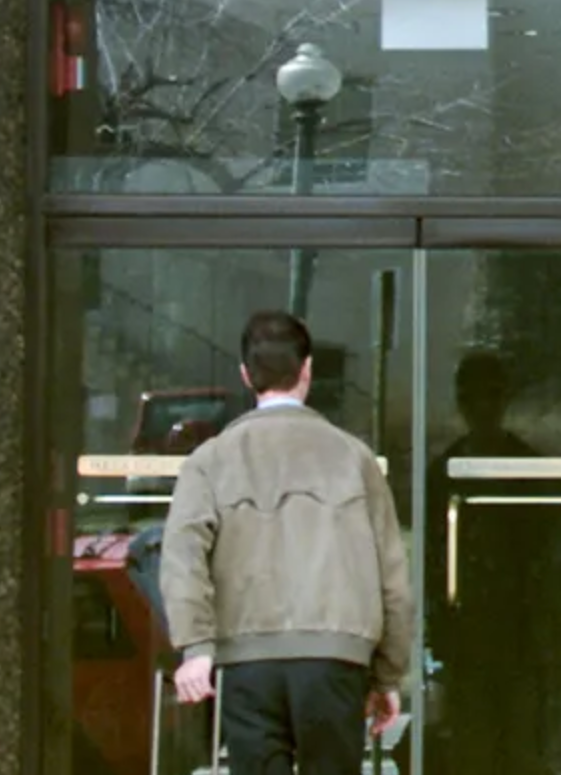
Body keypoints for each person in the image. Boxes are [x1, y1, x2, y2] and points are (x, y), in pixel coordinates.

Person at [161, 310, 412, 775]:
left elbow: (182, 559)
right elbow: (393, 578)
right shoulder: (354, 458)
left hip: (247, 660)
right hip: (336, 658)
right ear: (307, 369)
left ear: (245, 375)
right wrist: (387, 675)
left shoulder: (210, 461)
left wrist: (196, 647)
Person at [425, 349, 561, 775]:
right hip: (481, 651)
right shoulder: (450, 475)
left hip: (519, 649)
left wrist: (556, 646)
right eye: (474, 397)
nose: (482, 407)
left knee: (511, 755)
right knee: (487, 755)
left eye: (489, 396)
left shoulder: (522, 474)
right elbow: (433, 568)